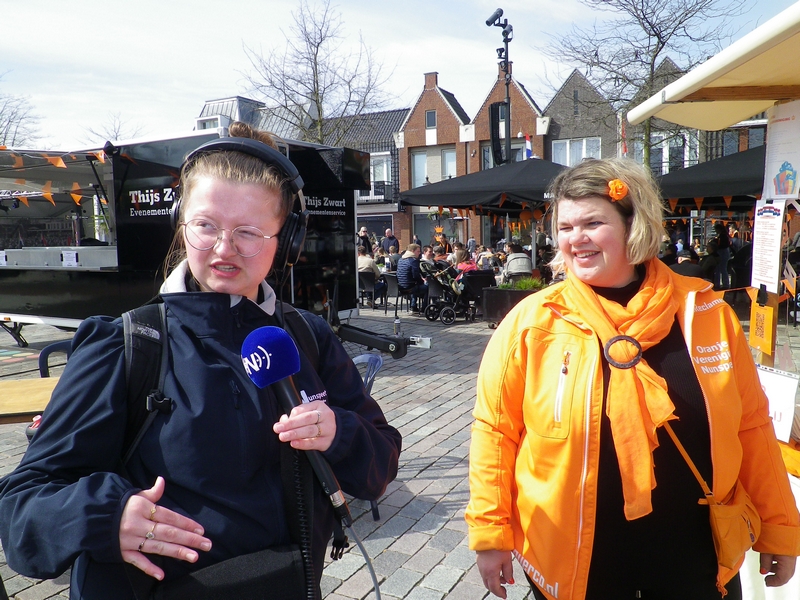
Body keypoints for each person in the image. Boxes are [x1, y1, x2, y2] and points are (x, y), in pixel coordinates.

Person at [0, 122, 402, 599]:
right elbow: (22, 506)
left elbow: (381, 463)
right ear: (181, 223)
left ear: (287, 240)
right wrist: (104, 517)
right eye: (206, 226)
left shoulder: (308, 338)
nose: (224, 249)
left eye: (248, 232)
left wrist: (340, 432)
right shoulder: (127, 346)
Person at [466, 157, 800, 600]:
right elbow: (495, 431)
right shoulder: (531, 322)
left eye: (592, 223)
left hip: (694, 555)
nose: (576, 238)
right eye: (565, 227)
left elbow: (751, 425)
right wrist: (490, 533)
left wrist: (780, 526)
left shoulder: (706, 313)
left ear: (633, 224)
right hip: (576, 559)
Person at [396, 243, 427, 312]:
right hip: (409, 287)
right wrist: (422, 282)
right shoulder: (413, 260)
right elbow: (416, 276)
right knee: (427, 288)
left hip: (400, 286)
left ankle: (413, 306)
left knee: (415, 284)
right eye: (418, 251)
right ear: (412, 251)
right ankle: (424, 308)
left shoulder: (401, 259)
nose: (419, 253)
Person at [713, 222, 732, 290]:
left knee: (722, 268)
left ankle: (724, 284)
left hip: (722, 252)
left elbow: (722, 245)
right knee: (721, 268)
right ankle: (721, 283)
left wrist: (716, 242)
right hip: (724, 252)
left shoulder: (723, 236)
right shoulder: (723, 235)